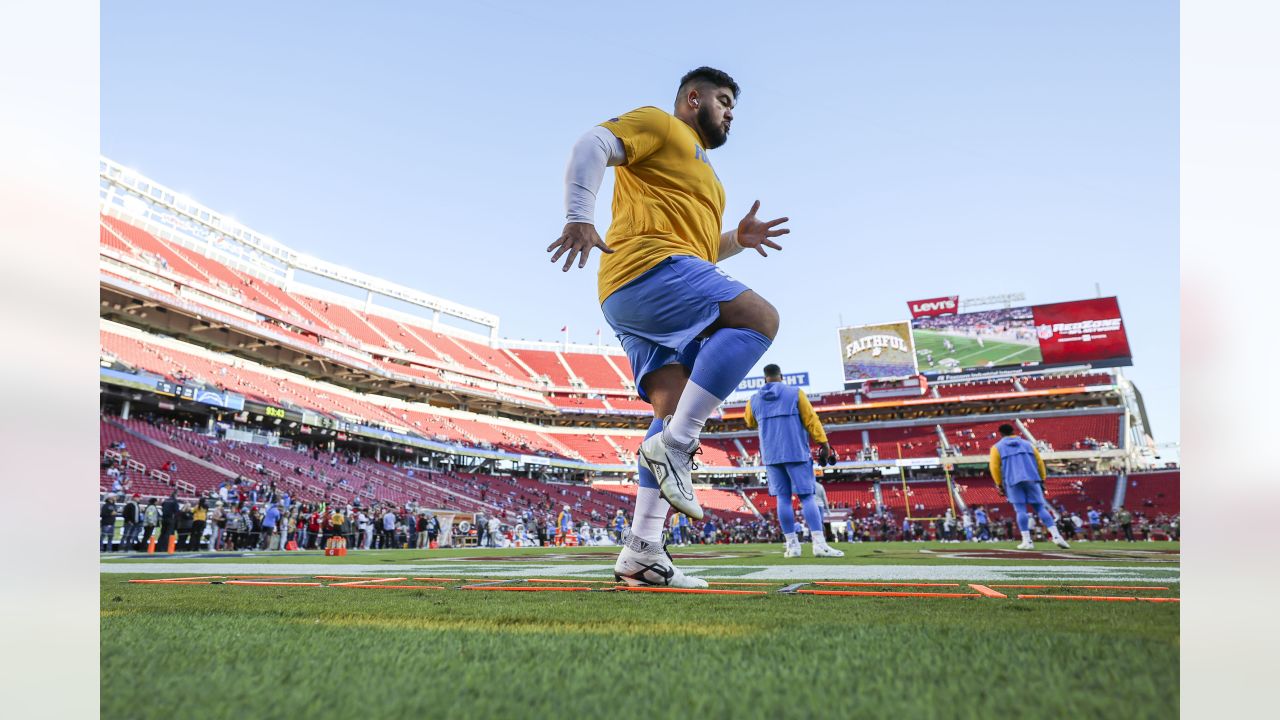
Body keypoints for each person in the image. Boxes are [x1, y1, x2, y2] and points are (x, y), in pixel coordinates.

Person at [550, 67, 789, 589]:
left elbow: (698, 250)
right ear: (693, 98)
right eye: (724, 100)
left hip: (635, 288)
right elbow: (592, 143)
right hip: (647, 268)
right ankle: (680, 444)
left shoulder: (709, 178)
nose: (730, 112)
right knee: (759, 318)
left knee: (671, 413)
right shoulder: (661, 124)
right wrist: (578, 215)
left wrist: (735, 240)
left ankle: (642, 550)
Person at [744, 364, 843, 558]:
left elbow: (749, 421)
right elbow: (811, 420)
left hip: (772, 455)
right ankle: (819, 545)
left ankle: (792, 546)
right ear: (781, 377)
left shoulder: (753, 399)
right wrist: (823, 443)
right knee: (807, 497)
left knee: (783, 499)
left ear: (765, 379)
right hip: (796, 451)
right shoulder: (795, 393)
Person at [989, 424, 1070, 550]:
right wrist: (1042, 478)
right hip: (1032, 478)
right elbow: (1039, 462)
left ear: (1000, 433)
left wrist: (999, 484)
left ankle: (1027, 541)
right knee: (1040, 508)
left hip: (1013, 480)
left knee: (1021, 510)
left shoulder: (997, 448)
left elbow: (994, 467)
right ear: (1013, 431)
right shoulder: (1028, 444)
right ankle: (1056, 536)